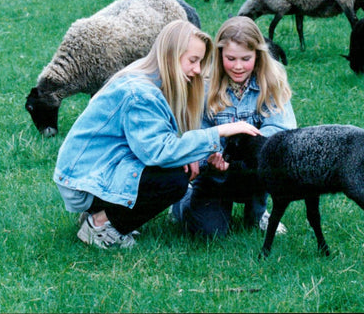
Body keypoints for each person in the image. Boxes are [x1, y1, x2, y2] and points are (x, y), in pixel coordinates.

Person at [53, 20, 260, 249]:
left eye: (200, 62)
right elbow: (159, 152)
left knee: (174, 168)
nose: (198, 70)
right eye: (193, 61)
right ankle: (101, 226)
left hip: (92, 171)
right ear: (171, 55)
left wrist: (187, 153)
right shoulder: (141, 94)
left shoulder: (149, 77)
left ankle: (101, 213)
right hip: (84, 180)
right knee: (172, 180)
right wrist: (219, 132)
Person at [172, 16, 296, 238]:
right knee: (208, 232)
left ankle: (257, 211)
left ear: (258, 55)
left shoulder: (272, 80)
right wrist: (211, 156)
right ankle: (184, 199)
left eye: (245, 59)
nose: (238, 66)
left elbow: (281, 133)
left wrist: (246, 148)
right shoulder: (204, 84)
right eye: (230, 58)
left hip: (252, 170)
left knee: (270, 155)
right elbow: (194, 133)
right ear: (219, 55)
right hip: (214, 176)